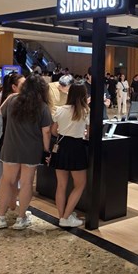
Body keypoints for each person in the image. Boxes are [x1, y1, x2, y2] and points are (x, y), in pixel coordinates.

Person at [0, 74, 52, 230]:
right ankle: (21, 218)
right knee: (26, 183)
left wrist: (13, 95)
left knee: (7, 181)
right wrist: (47, 150)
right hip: (31, 150)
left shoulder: (13, 101)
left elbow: (1, 111)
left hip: (11, 147)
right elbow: (46, 132)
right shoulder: (42, 107)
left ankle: (1, 217)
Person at [50, 81, 90, 227]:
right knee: (80, 184)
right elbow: (89, 134)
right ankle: (66, 217)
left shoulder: (60, 110)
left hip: (61, 147)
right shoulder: (85, 111)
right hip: (77, 148)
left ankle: (62, 216)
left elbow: (53, 131)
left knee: (61, 185)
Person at [0, 72, 25, 193]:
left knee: (5, 166)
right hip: (7, 136)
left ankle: (2, 190)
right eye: (22, 84)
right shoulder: (13, 99)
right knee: (8, 167)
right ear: (14, 86)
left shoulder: (3, 96)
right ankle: (6, 192)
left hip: (4, 135)